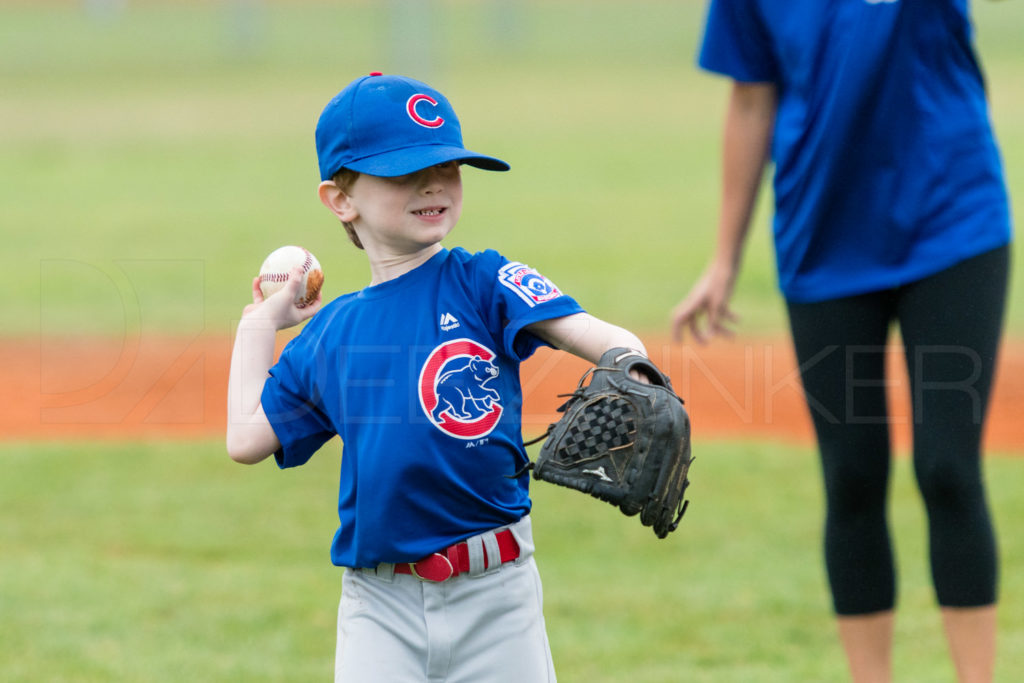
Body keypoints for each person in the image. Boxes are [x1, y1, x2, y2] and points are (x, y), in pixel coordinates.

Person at [227, 72, 653, 682]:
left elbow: (607, 340)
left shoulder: (484, 282)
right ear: (340, 199)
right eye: (404, 172)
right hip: (380, 607)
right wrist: (258, 327)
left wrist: (634, 371)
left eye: (449, 167)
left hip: (499, 593)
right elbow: (245, 439)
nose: (434, 184)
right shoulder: (330, 334)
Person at [672, 2, 1012, 682]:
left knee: (947, 468)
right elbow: (750, 102)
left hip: (952, 225)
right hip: (823, 241)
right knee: (852, 476)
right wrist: (722, 259)